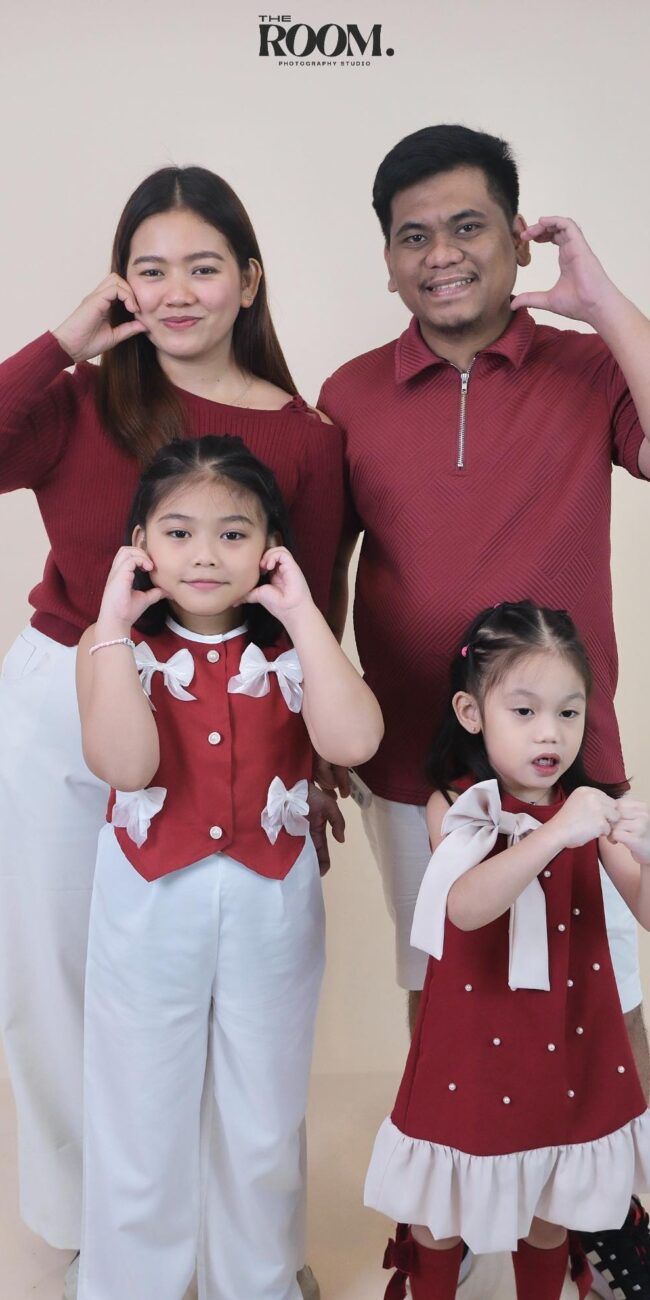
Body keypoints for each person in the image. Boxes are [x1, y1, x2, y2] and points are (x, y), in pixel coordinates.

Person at [0, 165, 343, 1299]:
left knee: (227, 992)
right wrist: (61, 342)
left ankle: (243, 1251)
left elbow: (309, 601)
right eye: (150, 269)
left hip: (234, 709)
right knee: (57, 973)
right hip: (69, 689)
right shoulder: (76, 398)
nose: (178, 291)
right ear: (120, 283)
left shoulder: (303, 434)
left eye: (203, 266)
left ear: (250, 278)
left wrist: (307, 759)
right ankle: (94, 1230)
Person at [317, 124, 650, 1291]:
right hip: (413, 767)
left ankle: (604, 1214)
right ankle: (447, 1219)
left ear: (516, 238)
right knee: (445, 993)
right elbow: (321, 573)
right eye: (412, 236)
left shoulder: (588, 368)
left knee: (605, 993)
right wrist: (313, 739)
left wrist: (603, 305)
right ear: (386, 261)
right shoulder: (349, 393)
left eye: (466, 227)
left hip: (570, 761)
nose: (440, 254)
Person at [75, 435, 382, 1300]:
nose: (205, 555)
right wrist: (113, 625)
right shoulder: (108, 647)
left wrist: (304, 615)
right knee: (140, 1103)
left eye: (234, 534)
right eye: (178, 533)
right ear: (139, 544)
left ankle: (257, 1279)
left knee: (264, 1108)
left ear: (271, 548)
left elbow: (355, 740)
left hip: (270, 897)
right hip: (149, 901)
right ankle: (132, 1283)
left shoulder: (292, 651)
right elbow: (127, 765)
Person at [365, 600, 650, 1300]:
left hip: (565, 1033)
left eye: (568, 712)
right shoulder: (458, 803)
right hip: (472, 1036)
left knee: (551, 1205)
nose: (549, 732)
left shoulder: (589, 806)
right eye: (524, 711)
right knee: (440, 1211)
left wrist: (643, 852)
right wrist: (554, 834)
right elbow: (465, 906)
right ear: (472, 713)